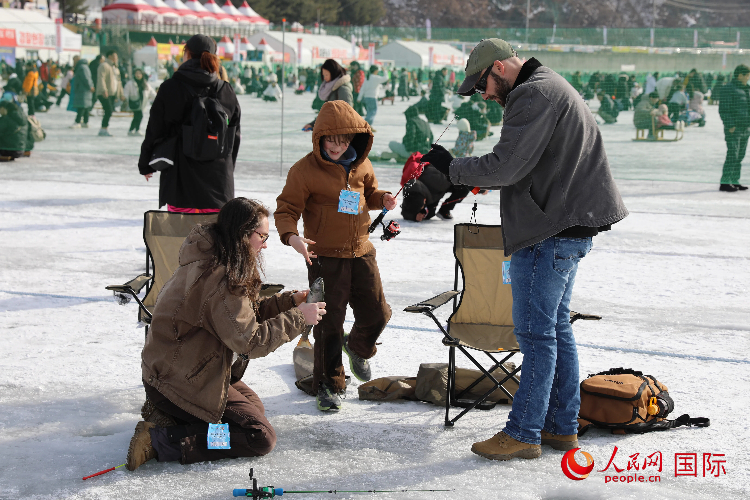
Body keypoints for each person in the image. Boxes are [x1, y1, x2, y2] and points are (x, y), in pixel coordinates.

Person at [421, 38, 628, 461]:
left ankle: (524, 432)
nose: (482, 95)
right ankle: (559, 427)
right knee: (555, 330)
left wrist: (451, 169)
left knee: (536, 336)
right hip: (568, 226)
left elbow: (506, 166)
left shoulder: (532, 95)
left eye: (482, 86)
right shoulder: (548, 85)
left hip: (549, 230)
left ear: (499, 68)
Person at [126, 197, 326, 471]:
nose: (265, 244)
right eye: (262, 236)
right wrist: (299, 318)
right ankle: (161, 440)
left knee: (253, 408)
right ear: (242, 234)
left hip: (186, 371)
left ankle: (171, 418)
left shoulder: (212, 257)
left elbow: (241, 316)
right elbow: (250, 342)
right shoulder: (221, 279)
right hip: (176, 380)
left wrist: (289, 301)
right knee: (258, 436)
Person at [275, 101, 396, 412]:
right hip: (324, 257)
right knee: (329, 322)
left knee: (378, 312)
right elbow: (286, 210)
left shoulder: (363, 165)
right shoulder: (304, 170)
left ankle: (358, 347)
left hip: (361, 250)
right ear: (319, 138)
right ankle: (330, 383)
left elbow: (368, 195)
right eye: (331, 140)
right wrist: (293, 238)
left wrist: (381, 198)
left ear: (353, 139)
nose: (337, 147)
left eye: (343, 141)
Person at [138, 34, 242, 212]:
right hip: (218, 183)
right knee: (215, 237)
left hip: (180, 180)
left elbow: (155, 129)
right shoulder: (226, 90)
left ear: (187, 54)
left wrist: (146, 164)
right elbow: (234, 137)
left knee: (182, 237)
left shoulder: (170, 88)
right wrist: (227, 167)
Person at [401, 160, 471, 222]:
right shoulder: (410, 192)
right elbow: (405, 211)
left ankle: (444, 210)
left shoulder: (438, 184)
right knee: (429, 212)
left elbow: (463, 180)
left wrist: (479, 189)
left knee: (465, 188)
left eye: (422, 205)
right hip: (430, 183)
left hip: (443, 179)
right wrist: (415, 216)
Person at [718, 64, 750, 192]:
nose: (748, 78)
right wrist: (730, 125)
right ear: (740, 75)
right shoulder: (728, 89)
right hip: (734, 128)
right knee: (733, 154)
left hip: (745, 127)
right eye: (747, 75)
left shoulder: (746, 89)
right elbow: (724, 109)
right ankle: (725, 182)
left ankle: (735, 180)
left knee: (740, 155)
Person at [302, 59, 352, 132]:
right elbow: (327, 113)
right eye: (323, 75)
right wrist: (313, 124)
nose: (324, 77)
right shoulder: (331, 89)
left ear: (334, 73)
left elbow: (347, 114)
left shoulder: (342, 89)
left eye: (326, 75)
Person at [96, 50, 122, 137]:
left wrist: (120, 94)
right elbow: (101, 78)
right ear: (109, 56)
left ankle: (104, 128)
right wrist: (104, 90)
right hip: (104, 92)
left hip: (112, 93)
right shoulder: (104, 66)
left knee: (109, 111)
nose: (116, 58)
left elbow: (118, 82)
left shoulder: (115, 68)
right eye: (115, 56)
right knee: (108, 110)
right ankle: (103, 129)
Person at [123, 68, 155, 136]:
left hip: (142, 103)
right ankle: (136, 129)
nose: (138, 75)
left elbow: (151, 92)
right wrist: (125, 98)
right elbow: (126, 91)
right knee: (139, 115)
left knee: (137, 116)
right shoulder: (130, 83)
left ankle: (131, 130)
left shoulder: (145, 83)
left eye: (139, 73)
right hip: (134, 102)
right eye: (136, 73)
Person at [70, 57, 94, 129]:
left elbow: (86, 78)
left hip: (83, 90)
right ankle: (85, 122)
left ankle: (77, 121)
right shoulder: (84, 66)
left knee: (82, 106)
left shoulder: (82, 67)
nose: (73, 63)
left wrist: (90, 86)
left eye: (74, 61)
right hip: (84, 89)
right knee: (85, 106)